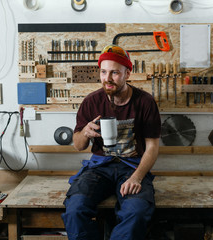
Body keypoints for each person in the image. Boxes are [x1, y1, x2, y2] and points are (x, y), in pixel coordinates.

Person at [62, 44, 161, 240]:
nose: (107, 78)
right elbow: (78, 145)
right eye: (104, 72)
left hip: (132, 167)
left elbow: (152, 147)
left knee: (137, 212)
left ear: (127, 73)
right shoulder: (91, 102)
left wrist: (137, 178)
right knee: (75, 208)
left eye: (114, 73)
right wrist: (85, 133)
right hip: (99, 168)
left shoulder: (145, 102)